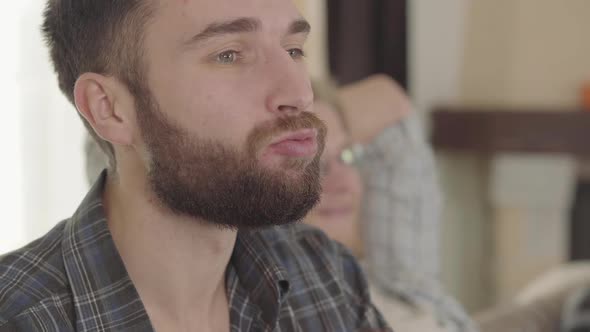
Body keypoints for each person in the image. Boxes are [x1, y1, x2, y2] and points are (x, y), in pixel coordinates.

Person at [0, 1, 391, 331]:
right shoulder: (20, 318)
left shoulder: (324, 274)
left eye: (293, 50)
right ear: (110, 109)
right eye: (229, 55)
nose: (300, 93)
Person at [306, 76, 478, 332]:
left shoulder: (393, 274)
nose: (341, 183)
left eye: (346, 155)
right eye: (314, 166)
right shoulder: (279, 305)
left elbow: (391, 108)